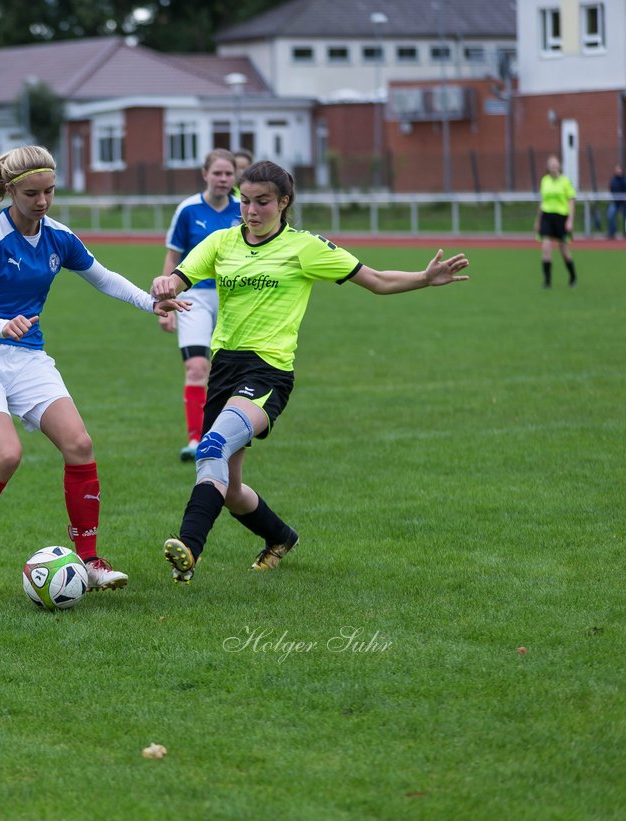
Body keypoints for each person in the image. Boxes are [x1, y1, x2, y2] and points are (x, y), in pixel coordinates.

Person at [149, 160, 470, 582]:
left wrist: (424, 278)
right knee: (228, 489)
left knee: (212, 448)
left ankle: (189, 549)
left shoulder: (305, 247)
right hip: (224, 368)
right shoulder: (221, 242)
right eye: (245, 201)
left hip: (268, 372)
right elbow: (178, 278)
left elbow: (375, 280)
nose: (251, 210)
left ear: (284, 202)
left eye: (262, 202)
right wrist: (164, 285)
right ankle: (281, 537)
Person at [0, 145, 187, 603]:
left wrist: (151, 303)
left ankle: (89, 560)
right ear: (11, 190)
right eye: (32, 193)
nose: (43, 201)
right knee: (7, 454)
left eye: (50, 191)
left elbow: (103, 276)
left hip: (27, 355)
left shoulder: (58, 237)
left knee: (79, 444)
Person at [159, 149, 244, 462]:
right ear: (205, 174)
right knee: (196, 367)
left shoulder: (244, 207)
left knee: (231, 370)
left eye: (228, 174)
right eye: (217, 173)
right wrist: (166, 301)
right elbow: (173, 255)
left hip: (234, 297)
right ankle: (195, 440)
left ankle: (225, 437)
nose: (223, 179)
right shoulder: (188, 209)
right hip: (192, 297)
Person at [534, 155, 576, 288]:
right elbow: (542, 202)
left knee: (564, 250)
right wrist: (538, 220)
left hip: (561, 217)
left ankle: (573, 276)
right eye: (550, 163)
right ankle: (547, 281)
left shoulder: (565, 181)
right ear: (547, 167)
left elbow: (571, 201)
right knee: (546, 247)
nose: (553, 166)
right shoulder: (544, 181)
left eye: (555, 163)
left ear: (559, 165)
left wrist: (570, 220)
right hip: (547, 216)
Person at [606, 165, 626, 240]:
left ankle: (625, 232)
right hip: (615, 202)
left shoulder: (624, 179)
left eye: (619, 170)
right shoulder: (613, 180)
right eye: (617, 170)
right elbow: (611, 189)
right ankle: (612, 233)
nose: (618, 171)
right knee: (610, 215)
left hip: (624, 203)